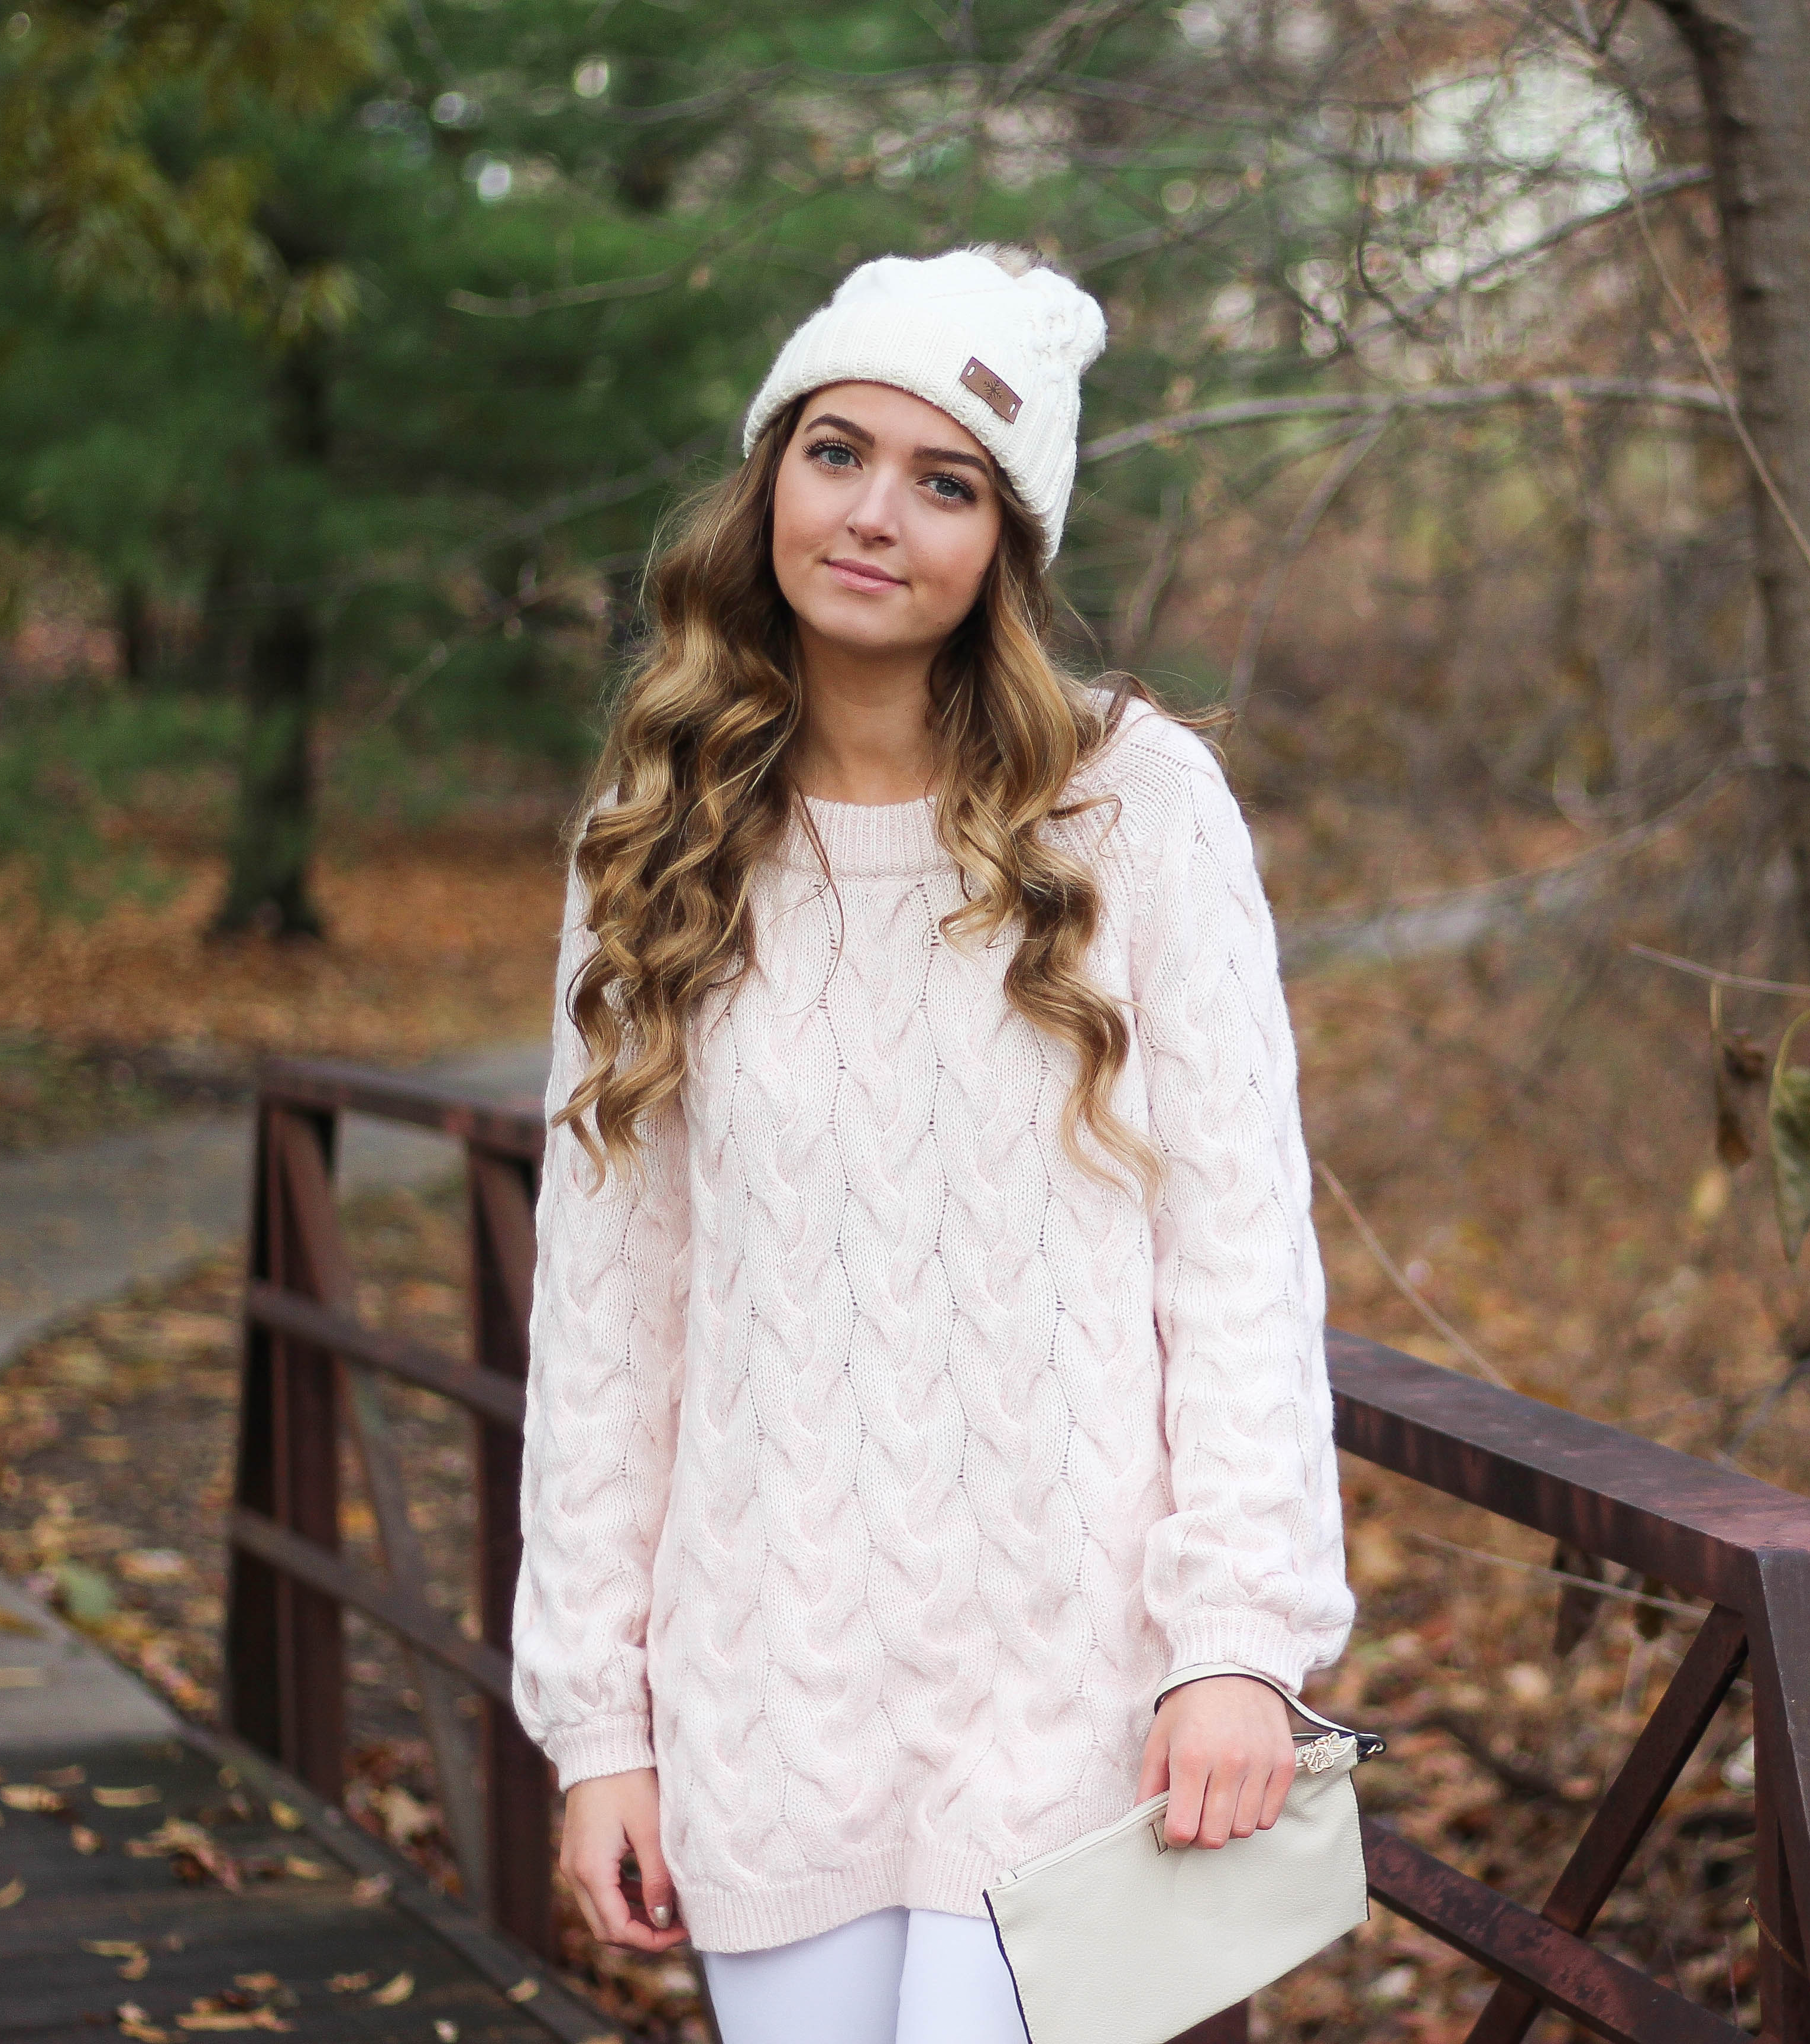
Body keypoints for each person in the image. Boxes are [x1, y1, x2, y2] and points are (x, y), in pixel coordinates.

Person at [507, 245, 1357, 2044]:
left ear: (1008, 542)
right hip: (767, 1703)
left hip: (1083, 1705)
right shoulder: (651, 844)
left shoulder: (1137, 813)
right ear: (767, 485)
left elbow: (1240, 1264)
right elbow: (608, 1325)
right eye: (835, 452)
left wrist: (1237, 1646)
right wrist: (599, 1730)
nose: (877, 513)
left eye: (945, 479)